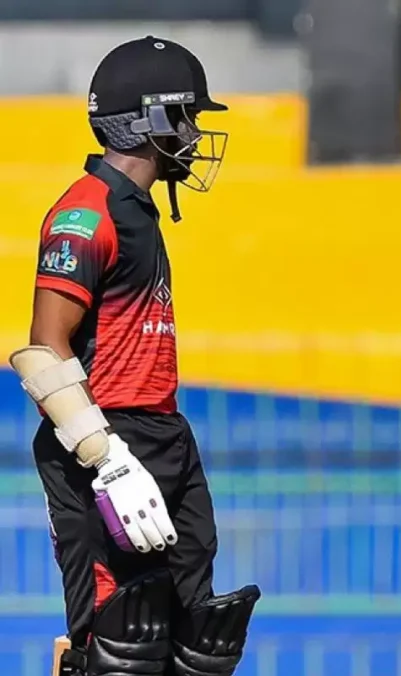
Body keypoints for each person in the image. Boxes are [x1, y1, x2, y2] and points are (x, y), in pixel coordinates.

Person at [8, 36, 258, 676]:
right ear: (153, 119)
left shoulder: (138, 211)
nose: (195, 134)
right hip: (103, 443)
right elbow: (42, 351)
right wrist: (109, 460)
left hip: (166, 434)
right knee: (119, 650)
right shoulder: (86, 212)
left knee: (200, 645)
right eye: (187, 117)